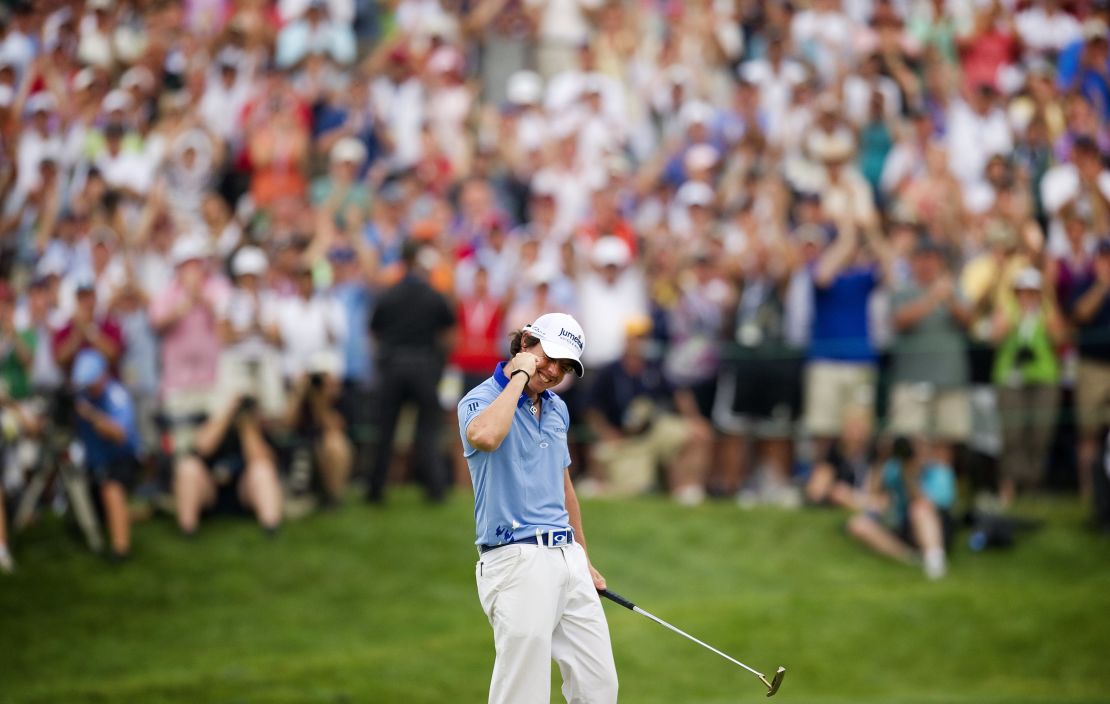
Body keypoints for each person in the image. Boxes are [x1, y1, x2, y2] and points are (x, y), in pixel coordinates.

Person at [458, 312, 618, 704]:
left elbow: (563, 488)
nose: (552, 371)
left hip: (566, 558)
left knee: (599, 688)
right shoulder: (479, 400)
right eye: (548, 357)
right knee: (523, 694)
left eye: (564, 367)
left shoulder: (557, 409)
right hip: (514, 557)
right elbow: (487, 436)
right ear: (526, 343)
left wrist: (583, 557)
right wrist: (518, 376)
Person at [367, 239, 456, 503]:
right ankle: (435, 490)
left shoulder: (388, 294)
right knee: (427, 430)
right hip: (424, 367)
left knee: (385, 431)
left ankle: (375, 491)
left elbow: (373, 331)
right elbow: (449, 333)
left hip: (392, 366)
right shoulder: (433, 294)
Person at [847, 437, 957, 580]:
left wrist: (910, 475)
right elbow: (873, 494)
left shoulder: (940, 472)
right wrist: (882, 459)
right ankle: (911, 559)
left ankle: (935, 562)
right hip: (904, 526)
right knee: (858, 524)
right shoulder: (895, 468)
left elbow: (929, 505)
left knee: (918, 509)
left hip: (936, 527)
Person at [71, 349, 138, 562]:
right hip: (92, 463)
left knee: (112, 489)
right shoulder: (80, 397)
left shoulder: (116, 395)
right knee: (90, 502)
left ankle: (121, 548)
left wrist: (91, 415)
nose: (89, 386)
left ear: (103, 375)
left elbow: (120, 434)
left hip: (121, 459)